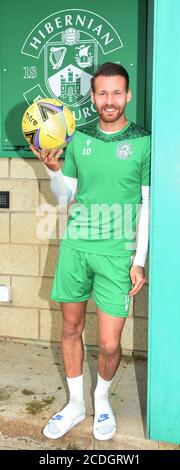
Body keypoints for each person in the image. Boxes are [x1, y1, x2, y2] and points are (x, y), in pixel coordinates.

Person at [30, 62, 150, 441]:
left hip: (117, 254)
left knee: (111, 342)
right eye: (102, 93)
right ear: (93, 97)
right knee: (70, 327)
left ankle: (103, 401)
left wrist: (140, 260)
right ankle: (76, 404)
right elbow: (66, 197)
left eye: (117, 93)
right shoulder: (78, 138)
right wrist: (53, 170)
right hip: (76, 246)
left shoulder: (145, 142)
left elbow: (147, 204)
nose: (109, 100)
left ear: (128, 95)